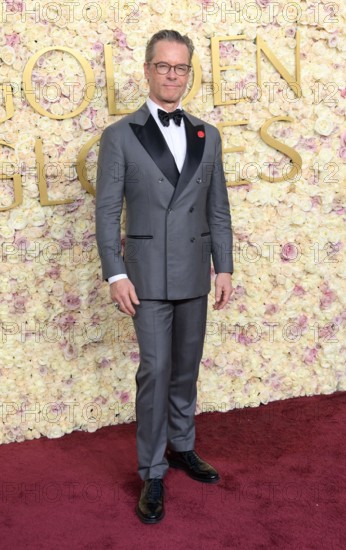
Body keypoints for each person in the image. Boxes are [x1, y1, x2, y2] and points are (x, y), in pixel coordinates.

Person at [95, 29, 233, 524]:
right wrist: (115, 272)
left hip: (197, 272)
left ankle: (182, 447)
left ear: (189, 74)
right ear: (148, 70)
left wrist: (226, 266)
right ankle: (152, 471)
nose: (172, 75)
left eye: (180, 68)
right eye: (163, 66)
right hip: (146, 276)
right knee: (154, 372)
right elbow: (107, 212)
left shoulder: (207, 134)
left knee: (186, 368)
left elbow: (219, 209)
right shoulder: (119, 135)